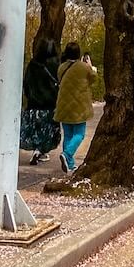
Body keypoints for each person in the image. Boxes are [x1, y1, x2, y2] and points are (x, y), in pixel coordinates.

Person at [53, 43, 96, 173]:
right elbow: (94, 79)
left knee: (68, 134)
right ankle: (67, 154)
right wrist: (90, 65)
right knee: (79, 134)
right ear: (79, 54)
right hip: (79, 107)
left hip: (63, 106)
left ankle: (70, 164)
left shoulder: (61, 67)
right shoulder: (83, 67)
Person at [20, 38, 60, 165]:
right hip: (50, 102)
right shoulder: (55, 64)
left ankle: (37, 149)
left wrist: (28, 95)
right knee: (48, 128)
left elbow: (26, 82)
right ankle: (41, 150)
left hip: (33, 102)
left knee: (36, 127)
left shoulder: (33, 63)